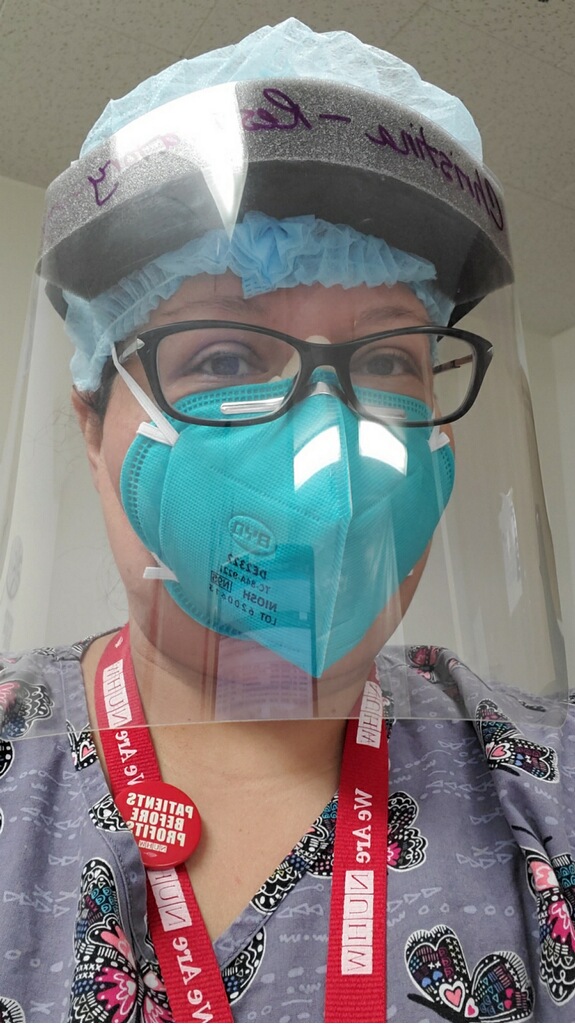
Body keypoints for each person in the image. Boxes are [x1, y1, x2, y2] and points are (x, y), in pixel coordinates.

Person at [0, 17, 573, 1024]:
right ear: (91, 427)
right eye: (224, 359)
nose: (329, 452)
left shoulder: (541, 780)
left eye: (387, 361)